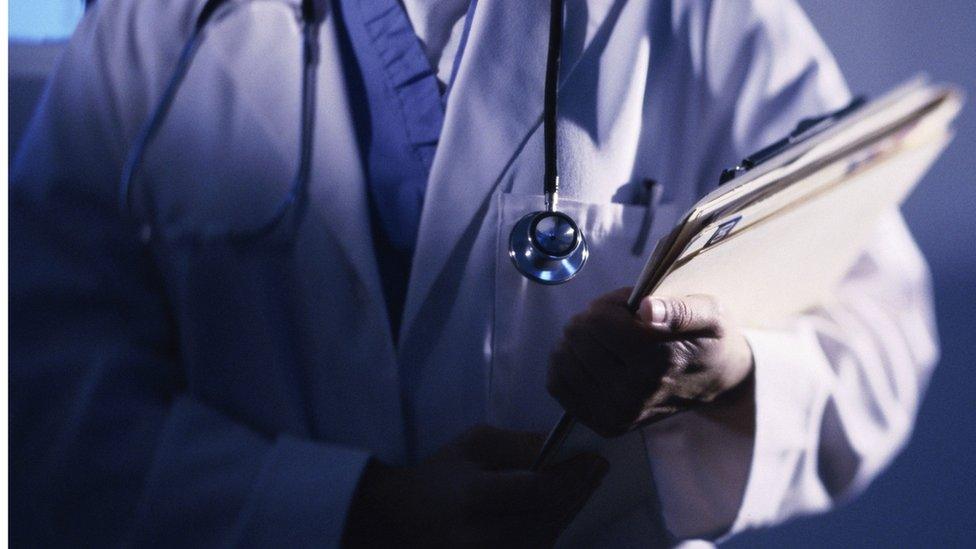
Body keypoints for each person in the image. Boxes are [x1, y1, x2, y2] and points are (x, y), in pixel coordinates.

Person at [9, 0, 938, 546]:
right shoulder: (155, 28)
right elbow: (40, 396)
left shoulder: (700, 16)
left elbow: (884, 329)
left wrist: (732, 379)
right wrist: (358, 510)